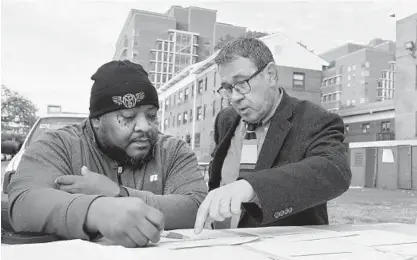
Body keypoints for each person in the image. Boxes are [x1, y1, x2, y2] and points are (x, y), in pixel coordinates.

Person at [7, 60, 207, 247]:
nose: (145, 126)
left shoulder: (172, 151)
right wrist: (96, 211)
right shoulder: (59, 146)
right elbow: (24, 203)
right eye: (128, 117)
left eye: (151, 116)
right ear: (96, 120)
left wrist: (118, 193)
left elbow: (197, 207)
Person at [194, 37, 351, 234]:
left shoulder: (315, 120)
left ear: (270, 74)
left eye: (241, 83)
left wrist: (252, 187)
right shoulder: (225, 120)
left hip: (284, 254)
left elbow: (334, 171)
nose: (234, 97)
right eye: (227, 88)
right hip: (222, 245)